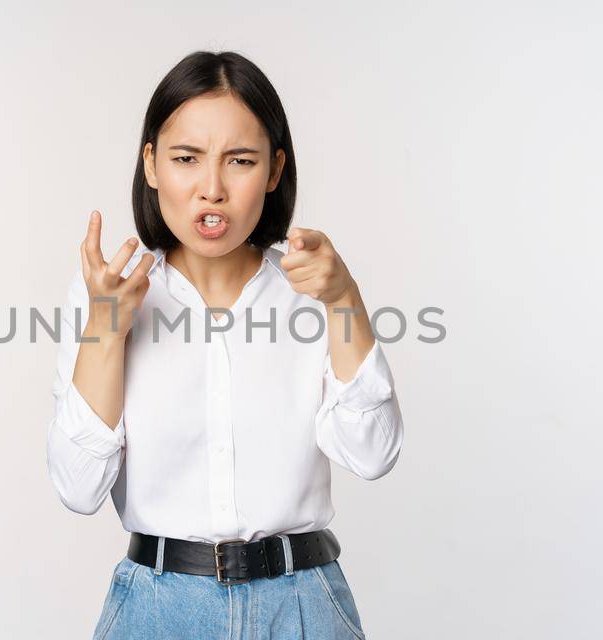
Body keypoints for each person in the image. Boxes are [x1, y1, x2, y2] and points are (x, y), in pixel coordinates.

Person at [45, 50, 406, 640]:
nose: (211, 189)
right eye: (186, 158)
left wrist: (345, 302)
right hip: (157, 609)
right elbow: (78, 488)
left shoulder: (312, 289)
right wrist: (106, 329)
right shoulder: (105, 296)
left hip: (303, 607)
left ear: (273, 170)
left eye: (239, 161)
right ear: (152, 164)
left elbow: (374, 455)